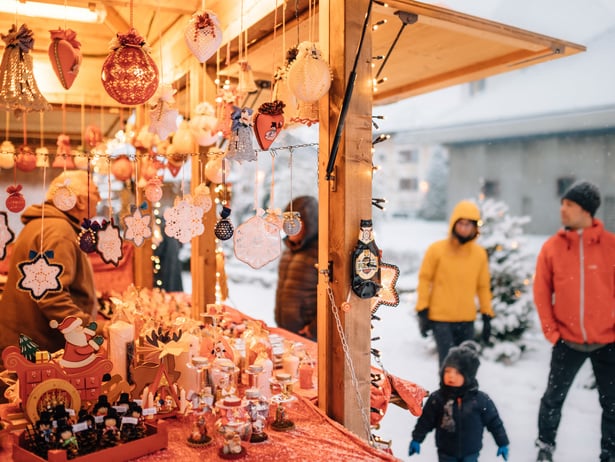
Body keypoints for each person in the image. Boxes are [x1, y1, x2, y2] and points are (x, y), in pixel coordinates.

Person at [533, 180, 615, 462]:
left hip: (608, 341)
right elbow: (542, 292)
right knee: (552, 399)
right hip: (566, 340)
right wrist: (552, 332)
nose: (563, 210)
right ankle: (545, 446)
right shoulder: (552, 248)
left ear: (587, 211)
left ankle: (610, 454)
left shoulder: (610, 246)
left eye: (569, 205)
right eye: (562, 204)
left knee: (613, 404)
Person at [0, 170, 101, 359]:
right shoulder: (58, 231)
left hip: (25, 343)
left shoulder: (46, 224)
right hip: (37, 349)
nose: (101, 198)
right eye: (96, 193)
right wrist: (91, 329)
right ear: (79, 201)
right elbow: (52, 296)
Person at [415, 200, 494, 365]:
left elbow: (483, 286)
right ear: (454, 224)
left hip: (467, 319)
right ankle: (445, 392)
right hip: (441, 319)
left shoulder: (479, 254)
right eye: (461, 223)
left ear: (475, 227)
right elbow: (424, 279)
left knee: (467, 367)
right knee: (448, 366)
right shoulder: (436, 250)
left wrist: (487, 315)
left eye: (469, 224)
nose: (464, 228)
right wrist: (422, 310)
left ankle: (465, 393)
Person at [408, 340, 509, 462]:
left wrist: (502, 443)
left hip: (471, 453)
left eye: (457, 373)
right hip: (446, 453)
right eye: (447, 371)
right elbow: (425, 421)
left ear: (468, 376)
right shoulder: (438, 399)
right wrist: (416, 439)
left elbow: (494, 423)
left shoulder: (481, 400)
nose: (451, 376)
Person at [274, 195, 318, 340]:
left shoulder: (321, 253)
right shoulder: (288, 250)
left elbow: (334, 298)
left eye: (296, 223)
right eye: (287, 221)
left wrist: (314, 329)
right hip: (284, 332)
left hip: (306, 336)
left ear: (311, 224)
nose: (290, 228)